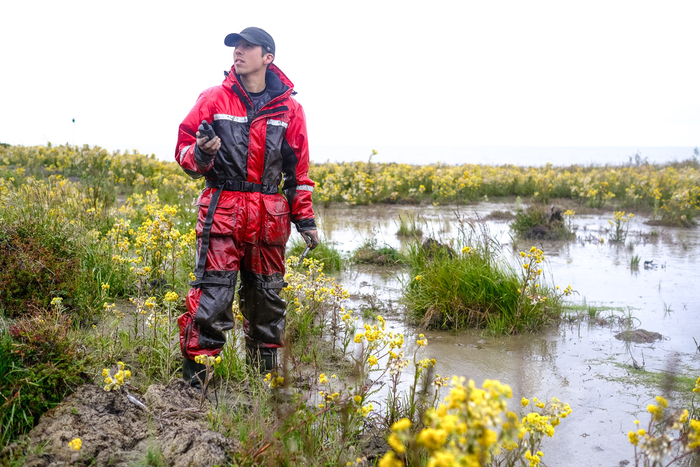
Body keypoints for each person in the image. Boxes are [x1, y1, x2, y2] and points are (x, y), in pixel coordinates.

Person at [174, 27, 319, 388]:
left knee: (267, 300)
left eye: (247, 47)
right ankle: (197, 383)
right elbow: (183, 152)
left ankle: (263, 382)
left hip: (269, 219)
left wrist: (305, 220)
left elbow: (298, 173)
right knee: (212, 297)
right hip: (222, 213)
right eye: (235, 47)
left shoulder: (290, 108)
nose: (237, 52)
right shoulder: (212, 98)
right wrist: (202, 154)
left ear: (268, 57)